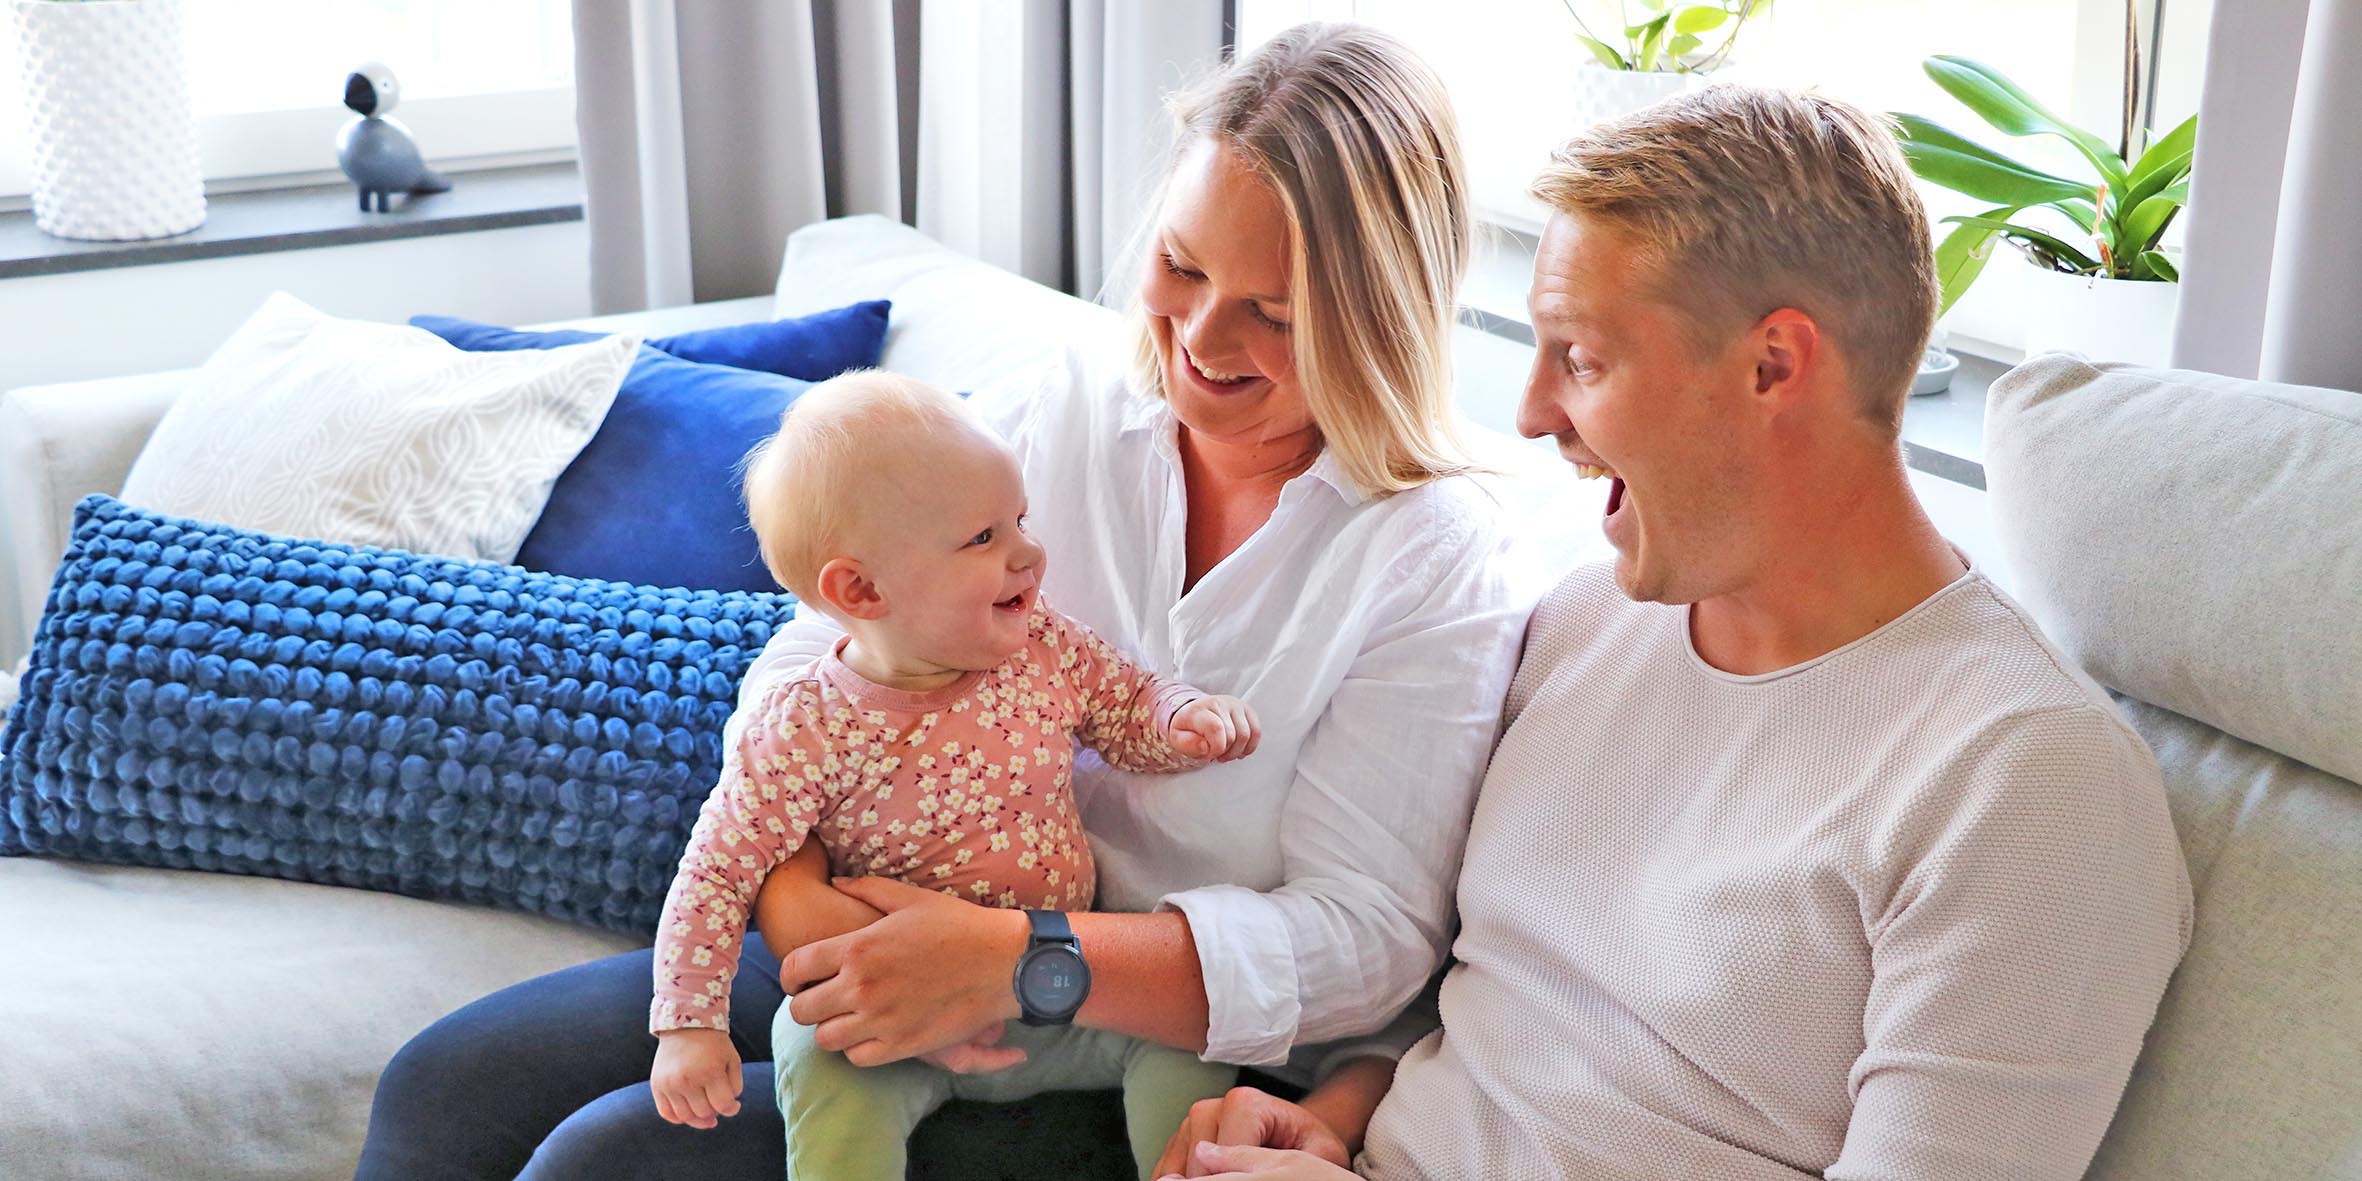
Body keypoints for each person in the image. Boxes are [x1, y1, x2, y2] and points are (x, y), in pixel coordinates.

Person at [356, 23, 1567, 1179]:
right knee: (444, 1085)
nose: (1201, 332)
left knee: (614, 1161)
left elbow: (1365, 939)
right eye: (1182, 265)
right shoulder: (1069, 406)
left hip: (1134, 1045)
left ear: (1378, 313)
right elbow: (821, 643)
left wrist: (1021, 962)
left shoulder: (1432, 557)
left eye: (1275, 311)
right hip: (883, 930)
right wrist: (799, 896)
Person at [1151, 85, 2192, 1181]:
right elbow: (1493, 1009)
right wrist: (1339, 1109)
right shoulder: (1586, 622)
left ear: (1773, 367)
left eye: (1584, 360)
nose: (1533, 414)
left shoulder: (2025, 782)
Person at [646, 369, 1258, 1179]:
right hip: (890, 1020)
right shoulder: (804, 723)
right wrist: (689, 1023)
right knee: (818, 1054)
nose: (1030, 554)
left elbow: (1124, 709)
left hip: (1064, 999)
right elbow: (719, 867)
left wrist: (1181, 721)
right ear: (861, 589)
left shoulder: (1042, 647)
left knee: (1195, 1051)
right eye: (984, 539)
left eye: (1020, 521)